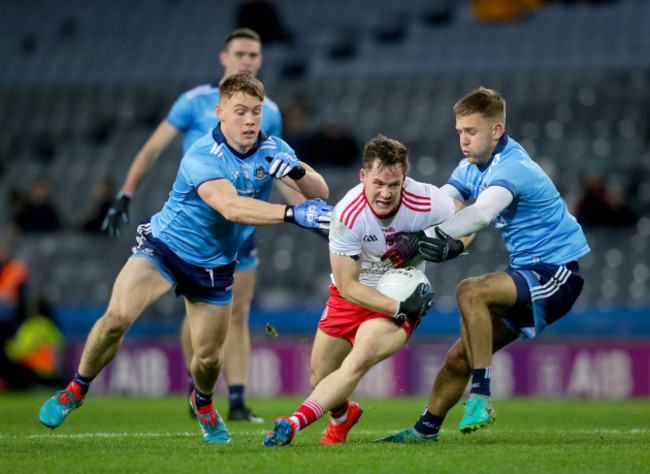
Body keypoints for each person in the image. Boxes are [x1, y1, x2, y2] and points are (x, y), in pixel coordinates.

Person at [39, 73, 333, 444]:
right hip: (165, 249)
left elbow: (319, 191)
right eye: (239, 111)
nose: (249, 120)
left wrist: (295, 170)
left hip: (214, 266)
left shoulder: (274, 148)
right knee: (116, 318)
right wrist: (290, 214)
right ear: (220, 113)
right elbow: (230, 207)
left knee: (208, 359)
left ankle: (204, 402)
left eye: (256, 112)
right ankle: (75, 390)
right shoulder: (201, 156)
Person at [377, 87, 590, 443]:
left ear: (495, 130)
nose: (463, 139)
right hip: (526, 273)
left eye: (471, 132)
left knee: (470, 290)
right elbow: (442, 203)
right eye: (459, 131)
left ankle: (481, 396)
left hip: (557, 272)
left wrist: (421, 238)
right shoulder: (471, 166)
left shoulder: (514, 167)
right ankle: (424, 431)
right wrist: (399, 227)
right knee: (461, 354)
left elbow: (480, 214)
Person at [102, 28, 289, 423]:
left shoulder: (268, 110)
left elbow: (279, 172)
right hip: (200, 213)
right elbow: (153, 147)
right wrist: (125, 193)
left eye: (253, 55)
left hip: (240, 220)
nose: (246, 60)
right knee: (197, 306)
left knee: (237, 311)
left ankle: (236, 400)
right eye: (239, 53)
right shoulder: (194, 101)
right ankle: (196, 389)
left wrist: (309, 213)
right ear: (224, 57)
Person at [262, 135, 472, 447]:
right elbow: (347, 285)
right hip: (356, 295)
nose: (385, 194)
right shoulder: (348, 213)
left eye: (394, 185)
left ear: (405, 179)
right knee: (320, 377)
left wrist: (448, 245)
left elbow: (466, 221)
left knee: (359, 359)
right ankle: (343, 416)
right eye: (378, 184)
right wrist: (398, 307)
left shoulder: (426, 199)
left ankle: (294, 423)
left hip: (402, 291)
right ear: (363, 177)